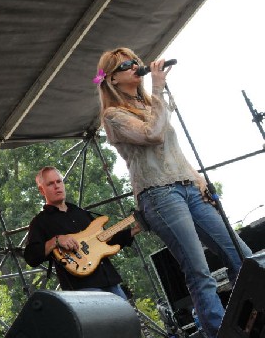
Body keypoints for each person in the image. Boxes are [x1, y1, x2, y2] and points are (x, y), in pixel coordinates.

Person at [95, 47, 252, 338]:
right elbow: (151, 134)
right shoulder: (113, 115)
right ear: (112, 80)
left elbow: (173, 151)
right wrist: (157, 85)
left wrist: (200, 181)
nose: (135, 65)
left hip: (188, 186)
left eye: (135, 61)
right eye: (126, 64)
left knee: (242, 256)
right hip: (159, 194)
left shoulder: (151, 103)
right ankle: (221, 333)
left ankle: (252, 321)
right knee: (199, 271)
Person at [23, 166, 140, 300]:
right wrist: (55, 241)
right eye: (50, 184)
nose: (57, 186)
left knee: (126, 321)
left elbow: (106, 241)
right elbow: (31, 257)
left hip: (110, 280)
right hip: (83, 288)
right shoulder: (40, 222)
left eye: (59, 181)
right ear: (41, 190)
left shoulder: (80, 212)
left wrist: (134, 229)